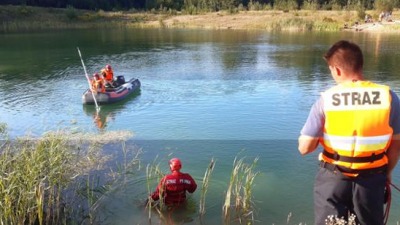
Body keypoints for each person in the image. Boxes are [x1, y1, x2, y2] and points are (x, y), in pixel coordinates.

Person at [298, 40, 400, 225]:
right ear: (360, 64)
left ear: (336, 70)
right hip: (372, 178)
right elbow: (396, 145)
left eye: (330, 69)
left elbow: (304, 148)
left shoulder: (326, 100)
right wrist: (387, 173)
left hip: (333, 178)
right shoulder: (389, 97)